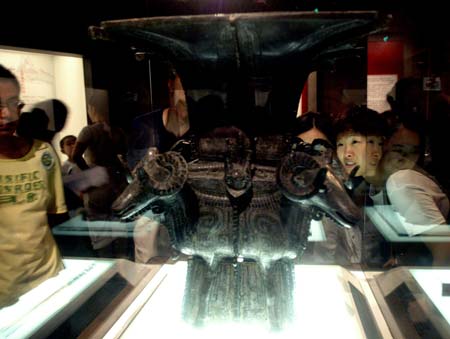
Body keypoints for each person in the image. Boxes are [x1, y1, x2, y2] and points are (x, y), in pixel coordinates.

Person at [0, 64, 68, 307]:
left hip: (48, 283)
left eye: (12, 103)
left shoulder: (43, 153)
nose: (7, 115)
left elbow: (50, 217)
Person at [373, 113, 449, 266]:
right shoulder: (383, 183)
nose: (404, 158)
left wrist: (437, 287)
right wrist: (400, 260)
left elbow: (444, 250)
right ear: (383, 146)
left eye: (413, 151)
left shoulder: (401, 181)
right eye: (398, 149)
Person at [72, 91, 129, 256]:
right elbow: (122, 157)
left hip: (98, 182)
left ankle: (108, 269)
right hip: (117, 181)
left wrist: (89, 173)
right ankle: (123, 264)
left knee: (100, 230)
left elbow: (76, 155)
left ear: (92, 108)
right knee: (119, 226)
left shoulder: (89, 131)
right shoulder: (117, 131)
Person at [332, 106, 389, 267]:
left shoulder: (392, 188)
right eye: (340, 144)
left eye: (355, 142)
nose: (347, 153)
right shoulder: (334, 190)